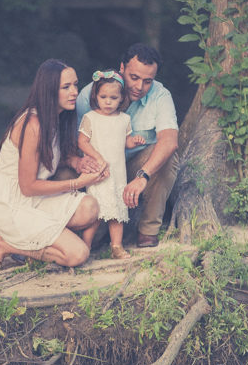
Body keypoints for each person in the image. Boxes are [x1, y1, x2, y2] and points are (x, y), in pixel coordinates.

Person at [0, 59, 107, 273]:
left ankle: (35, 239)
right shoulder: (33, 125)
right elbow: (28, 186)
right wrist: (77, 183)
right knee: (78, 253)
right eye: (66, 87)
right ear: (49, 91)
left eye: (75, 84)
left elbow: (54, 156)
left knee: (90, 208)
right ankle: (1, 245)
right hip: (12, 205)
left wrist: (77, 161)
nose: (74, 92)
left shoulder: (56, 117)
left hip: (34, 201)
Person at [76, 44, 179, 247]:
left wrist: (143, 176)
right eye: (134, 77)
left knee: (167, 157)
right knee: (92, 237)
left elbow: (169, 141)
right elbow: (74, 141)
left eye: (147, 81)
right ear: (122, 68)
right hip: (97, 168)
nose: (139, 87)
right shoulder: (90, 94)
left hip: (132, 167)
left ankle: (148, 230)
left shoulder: (160, 95)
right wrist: (81, 162)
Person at [78, 70, 146, 259]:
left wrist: (135, 140)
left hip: (117, 173)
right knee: (95, 212)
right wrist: (97, 156)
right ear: (95, 96)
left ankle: (116, 247)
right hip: (98, 173)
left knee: (116, 211)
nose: (108, 102)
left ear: (121, 98)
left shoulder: (124, 119)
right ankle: (85, 247)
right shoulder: (90, 118)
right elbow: (82, 142)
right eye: (103, 97)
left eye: (113, 97)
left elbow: (126, 142)